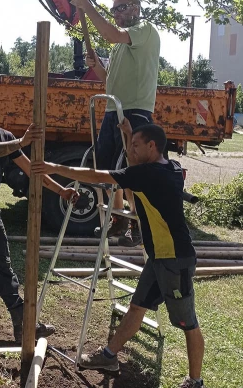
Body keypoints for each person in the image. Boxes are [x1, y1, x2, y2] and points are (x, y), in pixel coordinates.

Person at [31, 120, 205, 388]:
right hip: (159, 257)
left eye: (136, 146)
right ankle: (109, 356)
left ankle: (196, 381)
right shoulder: (168, 167)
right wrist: (127, 136)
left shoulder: (149, 175)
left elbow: (99, 176)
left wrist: (53, 168)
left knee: (188, 322)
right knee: (137, 307)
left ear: (152, 146)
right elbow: (134, 168)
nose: (131, 150)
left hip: (174, 261)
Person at [0, 89, 75, 343]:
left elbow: (32, 169)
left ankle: (20, 321)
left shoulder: (7, 136)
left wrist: (61, 190)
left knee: (3, 263)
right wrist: (21, 142)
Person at [70, 0, 161, 245]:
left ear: (135, 8)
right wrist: (96, 65)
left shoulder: (144, 29)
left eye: (120, 8)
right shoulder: (121, 46)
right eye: (114, 11)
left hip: (135, 111)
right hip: (114, 109)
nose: (117, 15)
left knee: (132, 169)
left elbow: (110, 33)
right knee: (108, 169)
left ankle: (136, 222)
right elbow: (108, 81)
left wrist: (86, 6)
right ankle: (119, 218)